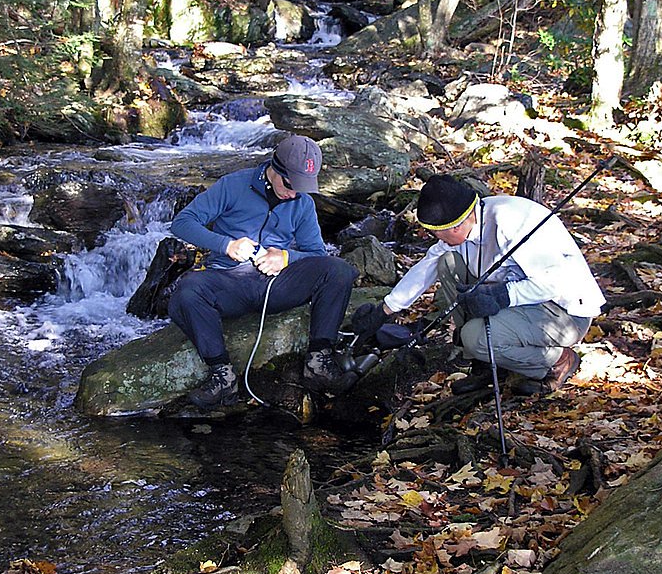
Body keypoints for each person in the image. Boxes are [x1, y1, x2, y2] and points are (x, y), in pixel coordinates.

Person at [365, 174, 604, 396]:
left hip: (563, 311)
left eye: (437, 234)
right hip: (518, 299)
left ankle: (559, 360)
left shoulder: (510, 222)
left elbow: (555, 281)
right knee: (447, 263)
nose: (436, 239)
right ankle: (486, 364)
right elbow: (428, 265)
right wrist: (386, 309)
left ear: (457, 226)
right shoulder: (468, 221)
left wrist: (502, 296)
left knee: (474, 337)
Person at [167, 134, 358, 408]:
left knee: (339, 271)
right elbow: (182, 223)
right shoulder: (233, 185)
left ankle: (318, 362)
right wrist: (226, 244)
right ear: (275, 168)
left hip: (277, 285)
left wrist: (286, 257)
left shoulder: (302, 203)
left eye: (301, 188)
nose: (293, 193)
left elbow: (317, 255)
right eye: (290, 185)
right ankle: (223, 376)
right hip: (229, 282)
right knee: (187, 292)